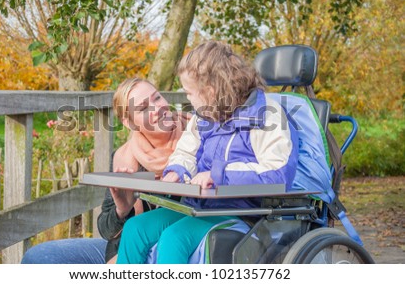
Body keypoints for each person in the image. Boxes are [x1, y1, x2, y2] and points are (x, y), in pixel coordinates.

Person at [116, 41, 299, 264]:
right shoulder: (204, 117)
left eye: (189, 93)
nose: (188, 100)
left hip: (246, 213)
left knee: (175, 238)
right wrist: (177, 171)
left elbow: (278, 173)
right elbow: (186, 153)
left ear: (210, 91)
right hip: (201, 207)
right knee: (137, 228)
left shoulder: (268, 116)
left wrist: (217, 175)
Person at [21, 78, 190, 264]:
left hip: (175, 249)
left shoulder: (197, 140)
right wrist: (122, 210)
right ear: (129, 123)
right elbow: (106, 229)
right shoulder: (124, 157)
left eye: (157, 98)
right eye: (143, 108)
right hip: (124, 249)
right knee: (38, 257)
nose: (157, 108)